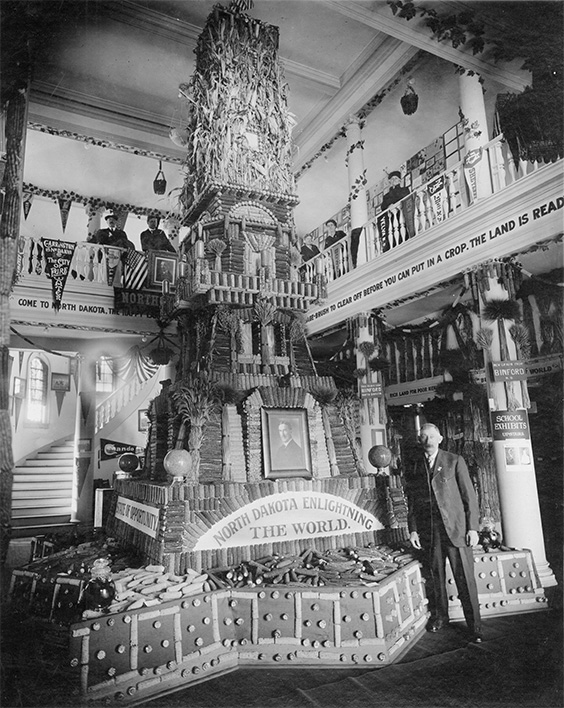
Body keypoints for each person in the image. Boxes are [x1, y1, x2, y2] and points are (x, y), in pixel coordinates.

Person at [405, 422, 482, 642]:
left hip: (457, 530)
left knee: (465, 579)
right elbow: (412, 502)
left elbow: (470, 498)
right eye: (423, 437)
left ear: (440, 439)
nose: (427, 440)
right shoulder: (415, 466)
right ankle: (440, 618)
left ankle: (475, 626)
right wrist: (413, 530)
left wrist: (473, 528)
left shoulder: (454, 461)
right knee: (435, 577)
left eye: (431, 436)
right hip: (430, 532)